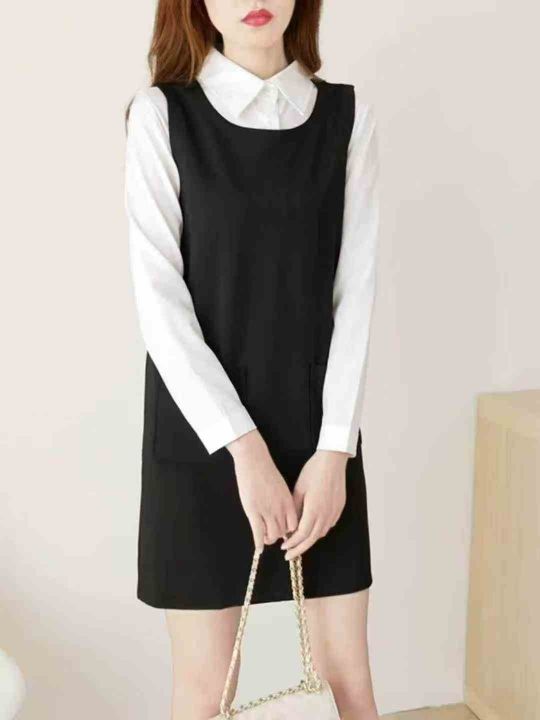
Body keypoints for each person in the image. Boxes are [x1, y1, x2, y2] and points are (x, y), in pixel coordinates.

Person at [124, 1, 380, 718]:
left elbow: (356, 295)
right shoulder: (161, 116)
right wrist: (244, 448)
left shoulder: (347, 118)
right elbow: (160, 305)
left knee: (349, 683)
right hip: (203, 441)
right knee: (206, 694)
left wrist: (335, 452)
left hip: (320, 443)